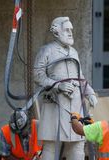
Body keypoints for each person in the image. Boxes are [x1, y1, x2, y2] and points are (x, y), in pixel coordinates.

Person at [33, 17, 98, 160]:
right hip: (55, 106)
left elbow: (79, 76)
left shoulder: (74, 52)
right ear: (56, 32)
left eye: (71, 30)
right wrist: (58, 85)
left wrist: (89, 92)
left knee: (77, 147)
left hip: (74, 107)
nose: (70, 33)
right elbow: (38, 76)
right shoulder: (47, 51)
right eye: (67, 30)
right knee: (50, 148)